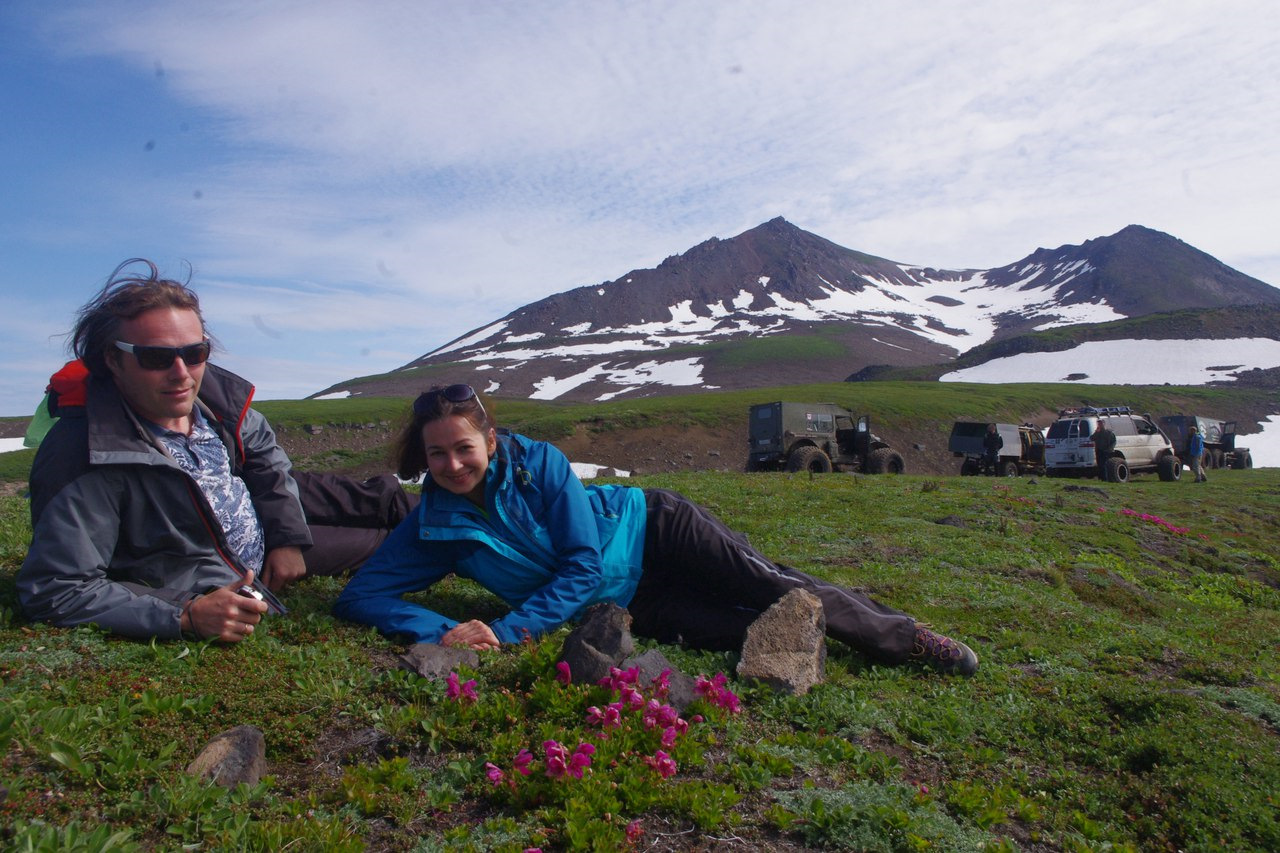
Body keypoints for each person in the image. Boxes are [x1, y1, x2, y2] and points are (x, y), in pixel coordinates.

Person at [334, 384, 979, 676]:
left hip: (656, 531)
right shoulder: (434, 525)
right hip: (633, 604)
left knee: (775, 589)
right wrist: (443, 630)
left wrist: (503, 631)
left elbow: (582, 565)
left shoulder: (541, 466)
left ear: (491, 440)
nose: (451, 465)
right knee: (742, 629)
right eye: (437, 455)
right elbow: (360, 596)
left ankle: (906, 640)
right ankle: (843, 632)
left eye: (463, 449)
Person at [17, 259, 409, 643]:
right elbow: (57, 588)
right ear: (112, 359)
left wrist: (288, 539)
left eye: (194, 353)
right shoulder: (83, 453)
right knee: (393, 544)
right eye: (155, 357)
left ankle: (459, 514)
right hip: (218, 574)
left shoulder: (215, 400)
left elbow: (266, 461)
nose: (181, 373)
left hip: (266, 542)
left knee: (404, 530)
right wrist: (184, 613)